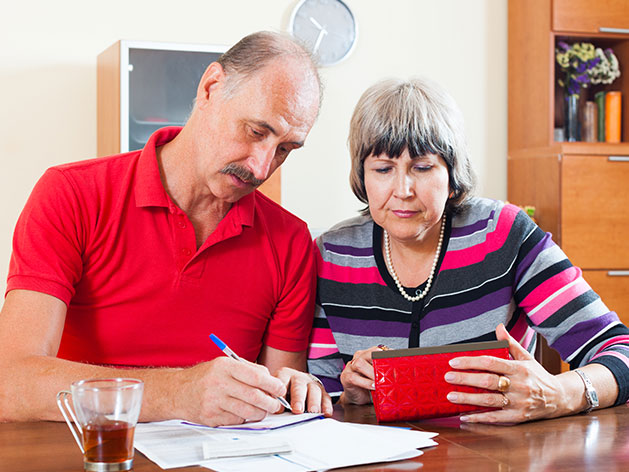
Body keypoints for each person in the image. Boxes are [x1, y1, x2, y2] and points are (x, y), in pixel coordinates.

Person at [0, 31, 332, 426]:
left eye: (285, 149)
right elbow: (11, 385)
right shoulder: (71, 195)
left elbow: (276, 404)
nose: (261, 167)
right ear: (211, 87)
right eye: (256, 132)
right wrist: (177, 394)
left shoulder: (290, 241)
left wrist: (292, 391)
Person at [307, 77, 629, 423]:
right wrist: (351, 395)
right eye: (383, 169)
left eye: (423, 167)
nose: (403, 189)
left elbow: (619, 351)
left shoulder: (503, 235)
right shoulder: (333, 255)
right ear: (362, 176)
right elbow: (319, 393)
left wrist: (557, 394)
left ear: (451, 173)